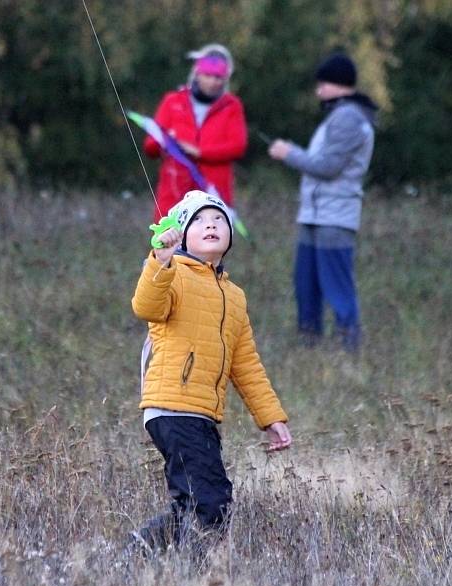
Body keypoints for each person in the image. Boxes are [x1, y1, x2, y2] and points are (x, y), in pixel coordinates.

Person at [130, 190, 291, 552]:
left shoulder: (234, 296)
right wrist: (160, 260)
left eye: (219, 219)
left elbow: (245, 362)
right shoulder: (172, 273)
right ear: (182, 234)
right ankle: (192, 576)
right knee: (212, 501)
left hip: (202, 412)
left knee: (195, 501)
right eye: (200, 220)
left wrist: (270, 417)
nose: (211, 225)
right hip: (172, 406)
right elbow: (146, 306)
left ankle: (136, 553)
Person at [268, 51, 377, 352]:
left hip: (334, 217)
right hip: (315, 215)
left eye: (322, 84)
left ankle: (349, 347)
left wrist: (287, 153)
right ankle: (308, 345)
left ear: (339, 84)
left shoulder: (349, 119)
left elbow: (327, 167)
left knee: (337, 288)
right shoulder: (339, 116)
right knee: (306, 286)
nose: (318, 91)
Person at [143, 44, 248, 219]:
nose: (213, 82)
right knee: (170, 245)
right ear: (197, 74)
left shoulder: (231, 106)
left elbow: (237, 146)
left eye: (218, 77)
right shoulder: (173, 101)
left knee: (209, 243)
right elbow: (150, 147)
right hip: (174, 194)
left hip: (213, 194)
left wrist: (200, 153)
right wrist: (168, 143)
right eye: (208, 75)